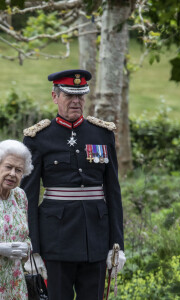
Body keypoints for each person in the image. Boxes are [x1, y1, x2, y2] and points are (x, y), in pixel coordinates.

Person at [21, 69, 126, 300]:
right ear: (55, 96)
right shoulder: (38, 137)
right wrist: (33, 249)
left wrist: (117, 244)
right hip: (56, 240)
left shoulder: (102, 134)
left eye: (80, 96)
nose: (76, 101)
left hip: (96, 239)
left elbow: (113, 192)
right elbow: (27, 196)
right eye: (69, 95)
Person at [0, 139, 33, 299]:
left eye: (18, 170)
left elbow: (25, 235)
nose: (12, 174)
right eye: (8, 167)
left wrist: (27, 247)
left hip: (15, 283)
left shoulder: (20, 196)